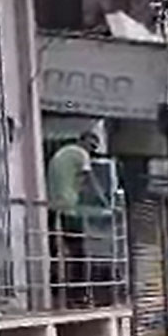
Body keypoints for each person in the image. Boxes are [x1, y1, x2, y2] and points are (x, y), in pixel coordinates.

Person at [47, 131, 107, 306]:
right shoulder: (81, 154)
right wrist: (103, 200)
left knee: (56, 251)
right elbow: (90, 180)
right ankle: (78, 294)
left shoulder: (61, 153)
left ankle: (57, 290)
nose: (91, 150)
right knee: (78, 252)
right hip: (69, 208)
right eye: (91, 145)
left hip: (52, 206)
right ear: (82, 141)